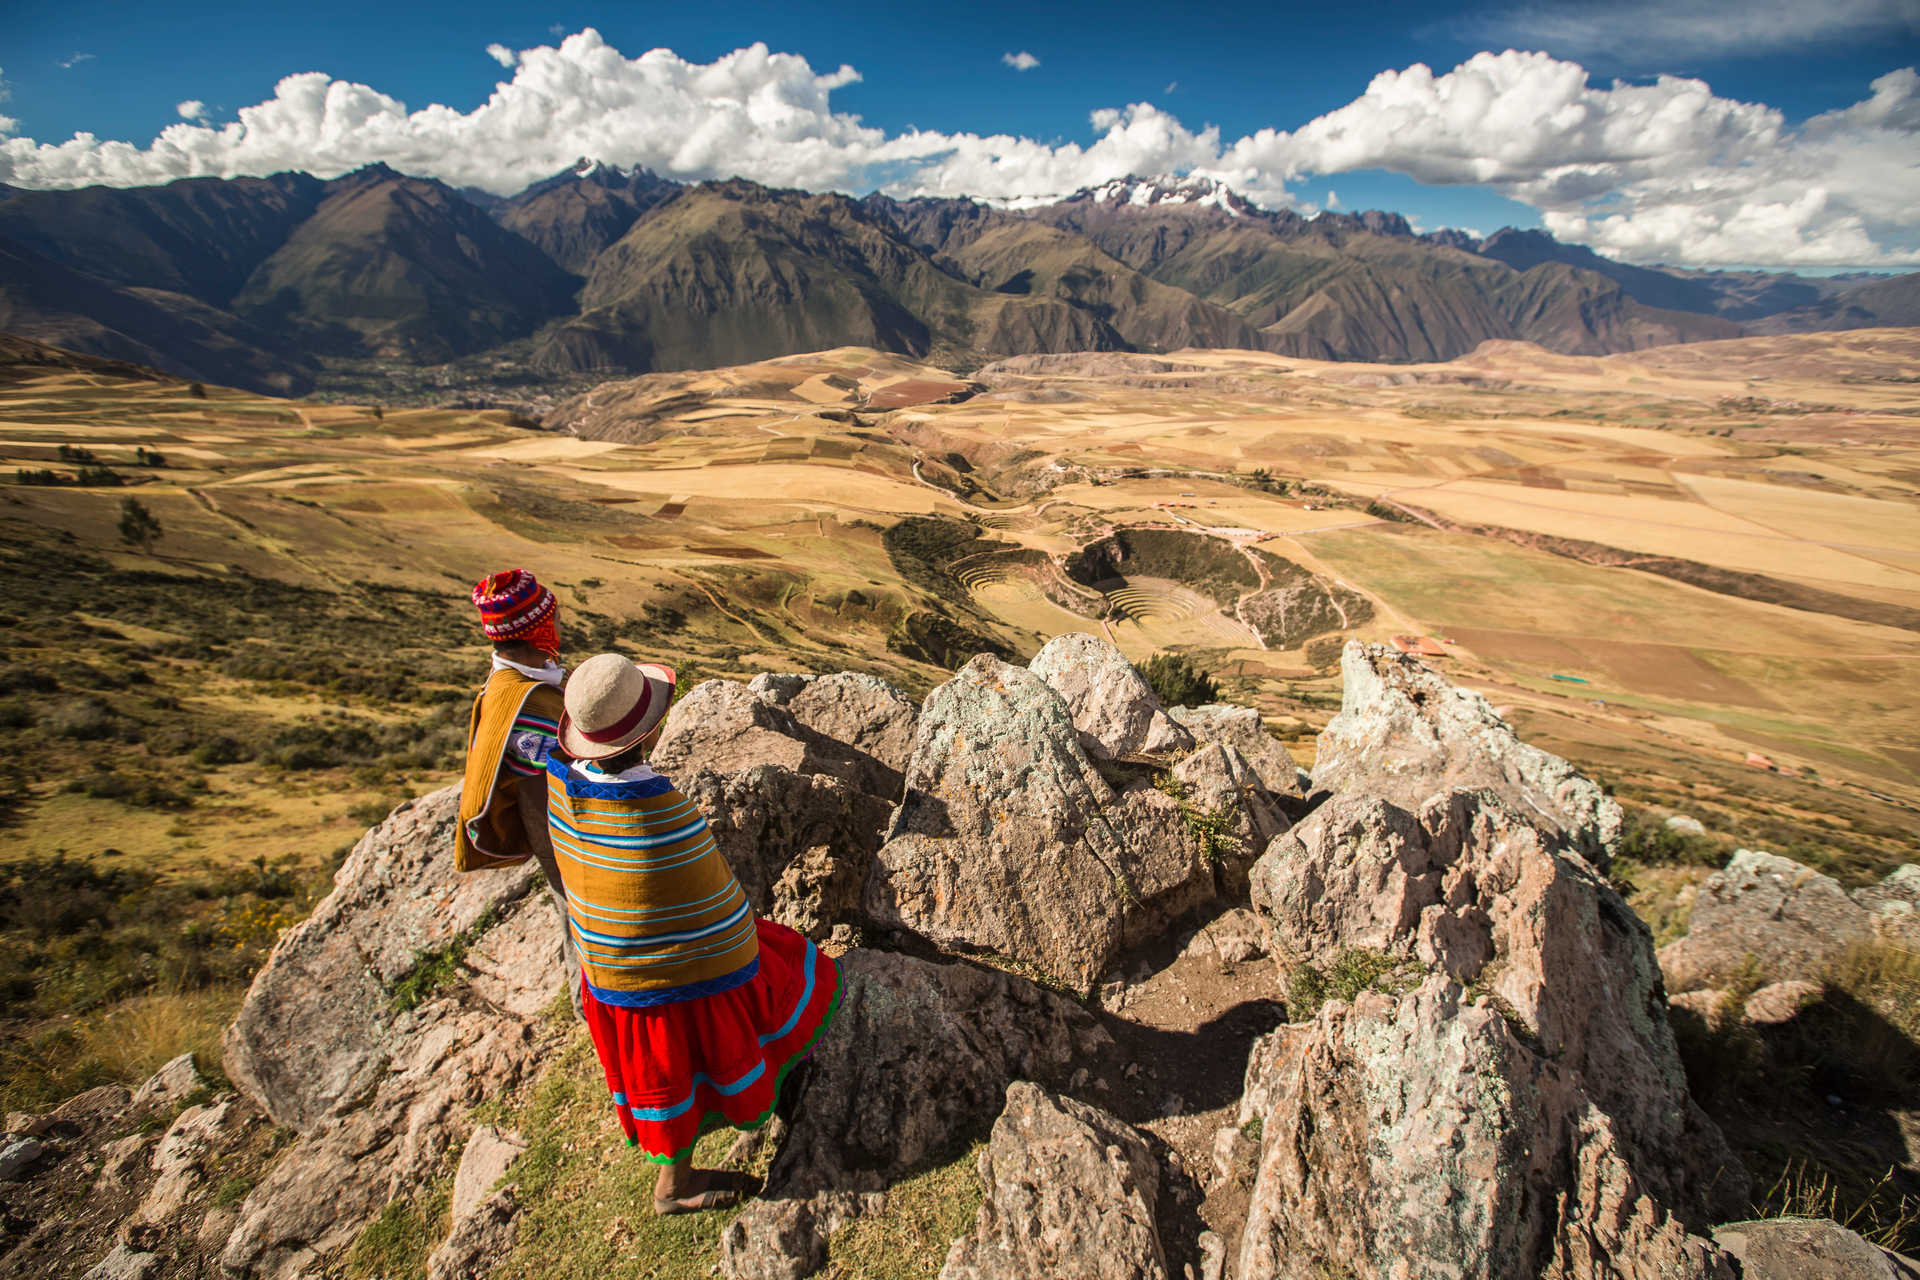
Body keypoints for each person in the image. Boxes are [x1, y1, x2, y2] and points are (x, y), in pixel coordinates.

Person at [546, 652, 840, 1214]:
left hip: (609, 973)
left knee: (662, 1077)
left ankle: (675, 1179)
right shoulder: (658, 812)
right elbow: (722, 910)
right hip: (673, 977)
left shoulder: (561, 788)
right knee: (784, 963)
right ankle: (692, 1172)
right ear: (650, 730)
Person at [455, 568, 581, 1015]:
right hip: (563, 832)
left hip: (555, 826)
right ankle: (591, 1005)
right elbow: (570, 763)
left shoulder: (515, 684)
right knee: (580, 919)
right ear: (538, 629)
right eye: (553, 618)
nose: (560, 625)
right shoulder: (527, 703)